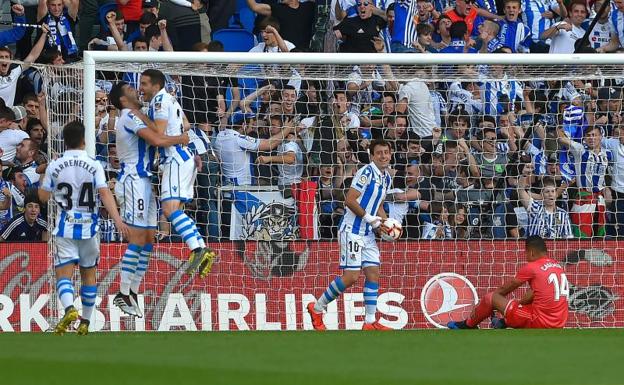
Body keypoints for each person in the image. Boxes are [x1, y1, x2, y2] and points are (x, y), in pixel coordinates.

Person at [38, 120, 129, 336]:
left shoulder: (55, 165)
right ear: (83, 140)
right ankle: (86, 321)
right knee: (89, 274)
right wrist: (118, 220)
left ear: (64, 141)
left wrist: (46, 176)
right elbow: (105, 193)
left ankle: (70, 308)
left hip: (65, 227)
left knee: (64, 275)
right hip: (90, 228)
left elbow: (42, 197)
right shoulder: (94, 164)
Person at [108, 81, 190, 316]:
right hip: (133, 181)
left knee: (148, 240)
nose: (138, 90)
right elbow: (157, 140)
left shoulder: (137, 115)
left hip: (144, 183)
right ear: (124, 99)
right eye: (132, 89)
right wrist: (181, 139)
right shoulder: (128, 117)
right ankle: (123, 293)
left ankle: (132, 291)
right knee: (137, 238)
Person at [307, 139, 394, 331]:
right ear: (372, 156)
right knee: (351, 277)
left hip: (368, 234)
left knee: (373, 274)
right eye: (379, 153)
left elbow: (378, 204)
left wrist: (386, 223)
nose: (383, 156)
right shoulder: (366, 173)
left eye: (386, 152)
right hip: (352, 230)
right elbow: (349, 200)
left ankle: (370, 322)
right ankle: (317, 308)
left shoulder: (387, 177)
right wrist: (371, 219)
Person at [139, 69, 217, 277]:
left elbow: (158, 133)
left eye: (144, 84)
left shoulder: (159, 101)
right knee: (176, 210)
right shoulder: (171, 99)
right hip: (184, 157)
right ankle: (200, 248)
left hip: (174, 160)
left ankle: (198, 249)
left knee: (169, 210)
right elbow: (187, 125)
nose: (141, 88)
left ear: (156, 85)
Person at [448, 235, 569, 329]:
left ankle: (468, 324)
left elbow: (504, 290)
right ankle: (503, 322)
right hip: (559, 322)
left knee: (490, 298)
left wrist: (485, 306)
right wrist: (517, 306)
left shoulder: (532, 267)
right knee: (524, 305)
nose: (526, 256)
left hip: (541, 322)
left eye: (526, 252)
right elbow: (535, 293)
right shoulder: (557, 265)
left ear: (531, 252)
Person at [557, 125, 611, 237]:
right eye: (588, 136)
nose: (591, 138)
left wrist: (607, 188)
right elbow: (561, 138)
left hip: (600, 201)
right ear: (585, 139)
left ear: (600, 137)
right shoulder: (580, 150)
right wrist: (561, 125)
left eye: (594, 135)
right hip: (583, 200)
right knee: (582, 235)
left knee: (600, 235)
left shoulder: (607, 154)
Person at [518, 168, 573, 239]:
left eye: (553, 191)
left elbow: (569, 238)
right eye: (547, 191)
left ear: (556, 194)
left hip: (555, 249)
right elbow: (521, 191)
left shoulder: (563, 214)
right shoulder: (535, 207)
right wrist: (524, 174)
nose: (550, 194)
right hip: (536, 248)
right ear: (542, 194)